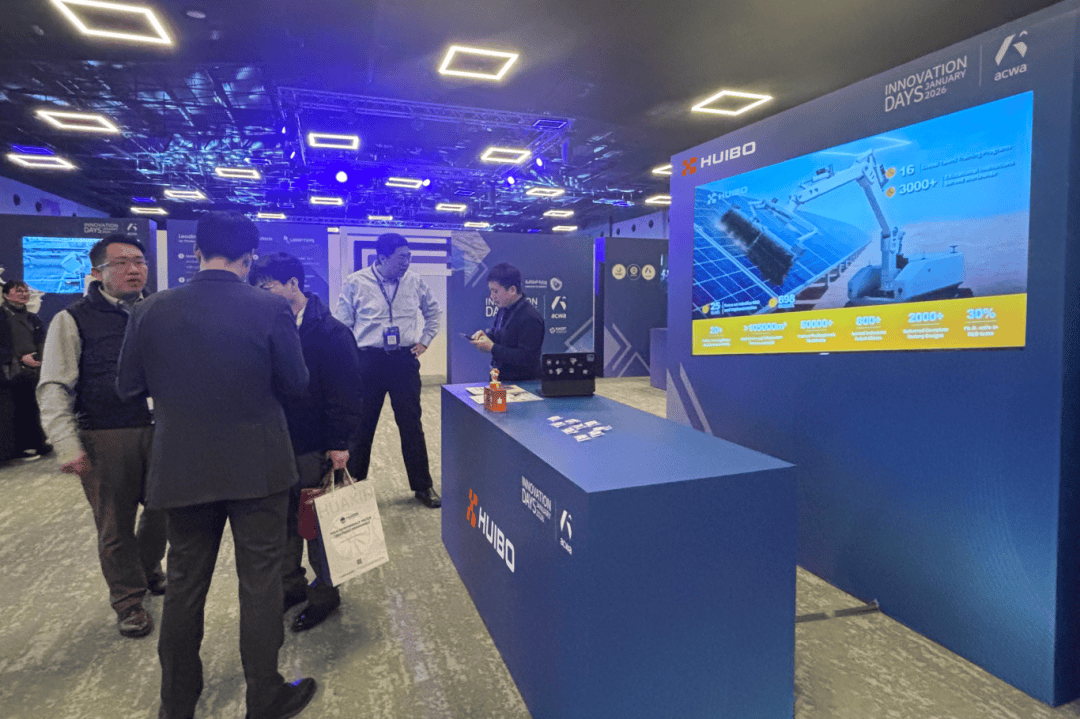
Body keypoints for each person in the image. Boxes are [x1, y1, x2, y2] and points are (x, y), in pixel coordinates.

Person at [116, 213, 316, 719]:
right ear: (250, 257)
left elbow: (127, 387)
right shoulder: (270, 307)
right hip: (259, 467)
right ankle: (264, 695)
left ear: (196, 252)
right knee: (261, 583)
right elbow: (297, 382)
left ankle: (177, 702)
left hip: (182, 467)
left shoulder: (150, 309)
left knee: (184, 585)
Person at [36, 237, 167, 638]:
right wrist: (66, 444)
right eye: (122, 263)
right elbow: (54, 385)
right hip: (106, 433)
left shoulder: (158, 311)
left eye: (139, 261)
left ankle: (146, 567)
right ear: (98, 272)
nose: (134, 269)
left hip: (161, 431)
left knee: (164, 511)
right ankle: (128, 601)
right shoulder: (72, 319)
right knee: (115, 525)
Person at [249, 252, 362, 632]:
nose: (261, 295)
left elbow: (346, 394)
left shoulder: (331, 333)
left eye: (267, 287)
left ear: (293, 285)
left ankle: (325, 594)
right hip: (273, 445)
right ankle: (290, 586)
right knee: (280, 523)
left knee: (317, 528)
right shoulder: (264, 327)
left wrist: (339, 444)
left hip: (314, 447)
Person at [334, 233, 442, 509]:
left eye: (409, 256)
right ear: (382, 258)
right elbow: (343, 325)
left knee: (412, 425)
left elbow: (433, 312)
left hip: (403, 361)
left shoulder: (414, 281)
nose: (407, 262)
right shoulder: (356, 282)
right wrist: (350, 359)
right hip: (368, 361)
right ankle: (354, 488)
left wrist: (425, 340)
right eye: (401, 257)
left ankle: (422, 486)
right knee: (362, 427)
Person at [469, 263, 545, 382]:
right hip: (501, 380)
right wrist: (485, 338)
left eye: (495, 291)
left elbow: (527, 358)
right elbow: (499, 335)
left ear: (512, 290)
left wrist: (492, 347)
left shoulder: (530, 317)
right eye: (491, 291)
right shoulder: (503, 309)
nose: (492, 296)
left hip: (522, 384)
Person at [2, 280, 51, 458]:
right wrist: (18, 359)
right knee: (12, 411)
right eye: (18, 291)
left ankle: (36, 442)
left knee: (32, 408)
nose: (24, 294)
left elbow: (42, 341)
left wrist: (41, 358)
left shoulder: (32, 318)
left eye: (25, 291)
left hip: (31, 371)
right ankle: (16, 449)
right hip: (8, 372)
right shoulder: (2, 317)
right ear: (6, 295)